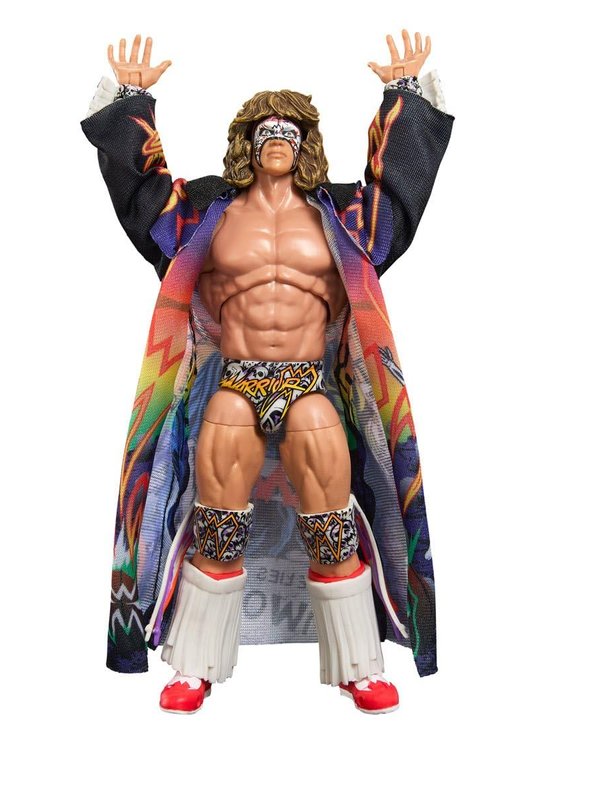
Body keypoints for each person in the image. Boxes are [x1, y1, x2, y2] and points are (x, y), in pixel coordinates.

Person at [82, 30, 454, 714]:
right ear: (246, 142)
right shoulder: (204, 214)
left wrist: (401, 96)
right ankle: (193, 666)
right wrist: (132, 100)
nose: (275, 139)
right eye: (263, 130)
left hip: (311, 383)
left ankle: (357, 665)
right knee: (217, 520)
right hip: (235, 382)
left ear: (305, 140)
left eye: (287, 129)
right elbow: (143, 199)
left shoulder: (342, 217)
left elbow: (396, 200)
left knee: (331, 519)